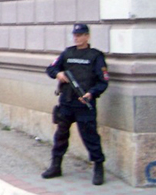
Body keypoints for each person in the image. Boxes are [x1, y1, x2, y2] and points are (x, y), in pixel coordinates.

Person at [42, 23, 109, 185]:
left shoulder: (95, 56)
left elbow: (103, 81)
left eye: (80, 35)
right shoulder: (67, 53)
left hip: (84, 103)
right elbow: (51, 69)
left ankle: (98, 167)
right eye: (75, 35)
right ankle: (55, 166)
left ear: (87, 36)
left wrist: (91, 93)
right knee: (61, 135)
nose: (76, 38)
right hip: (67, 102)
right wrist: (58, 74)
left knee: (90, 137)